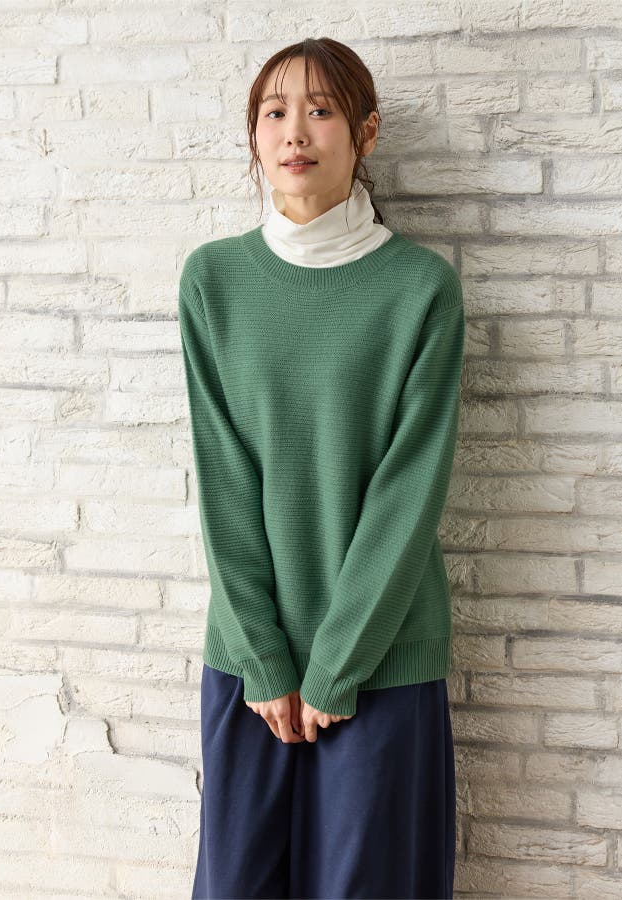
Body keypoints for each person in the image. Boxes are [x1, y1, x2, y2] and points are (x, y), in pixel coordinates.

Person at [180, 36, 464, 900]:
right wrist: (266, 660)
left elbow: (409, 491)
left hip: (383, 662)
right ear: (253, 136)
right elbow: (222, 478)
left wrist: (338, 665)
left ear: (365, 131)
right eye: (274, 112)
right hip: (251, 661)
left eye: (321, 110)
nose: (294, 132)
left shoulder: (420, 288)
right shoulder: (214, 281)